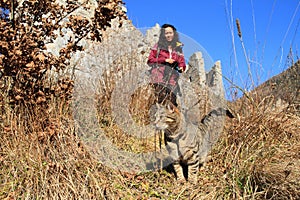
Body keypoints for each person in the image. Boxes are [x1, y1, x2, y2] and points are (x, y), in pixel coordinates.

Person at [147, 24, 186, 107]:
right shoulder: (157, 46)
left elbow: (182, 62)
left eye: (170, 33)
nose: (169, 35)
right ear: (163, 35)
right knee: (159, 99)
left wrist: (181, 67)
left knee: (172, 101)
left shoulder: (178, 48)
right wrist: (164, 60)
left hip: (172, 78)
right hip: (158, 76)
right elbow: (150, 60)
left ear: (174, 33)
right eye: (166, 33)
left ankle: (172, 119)